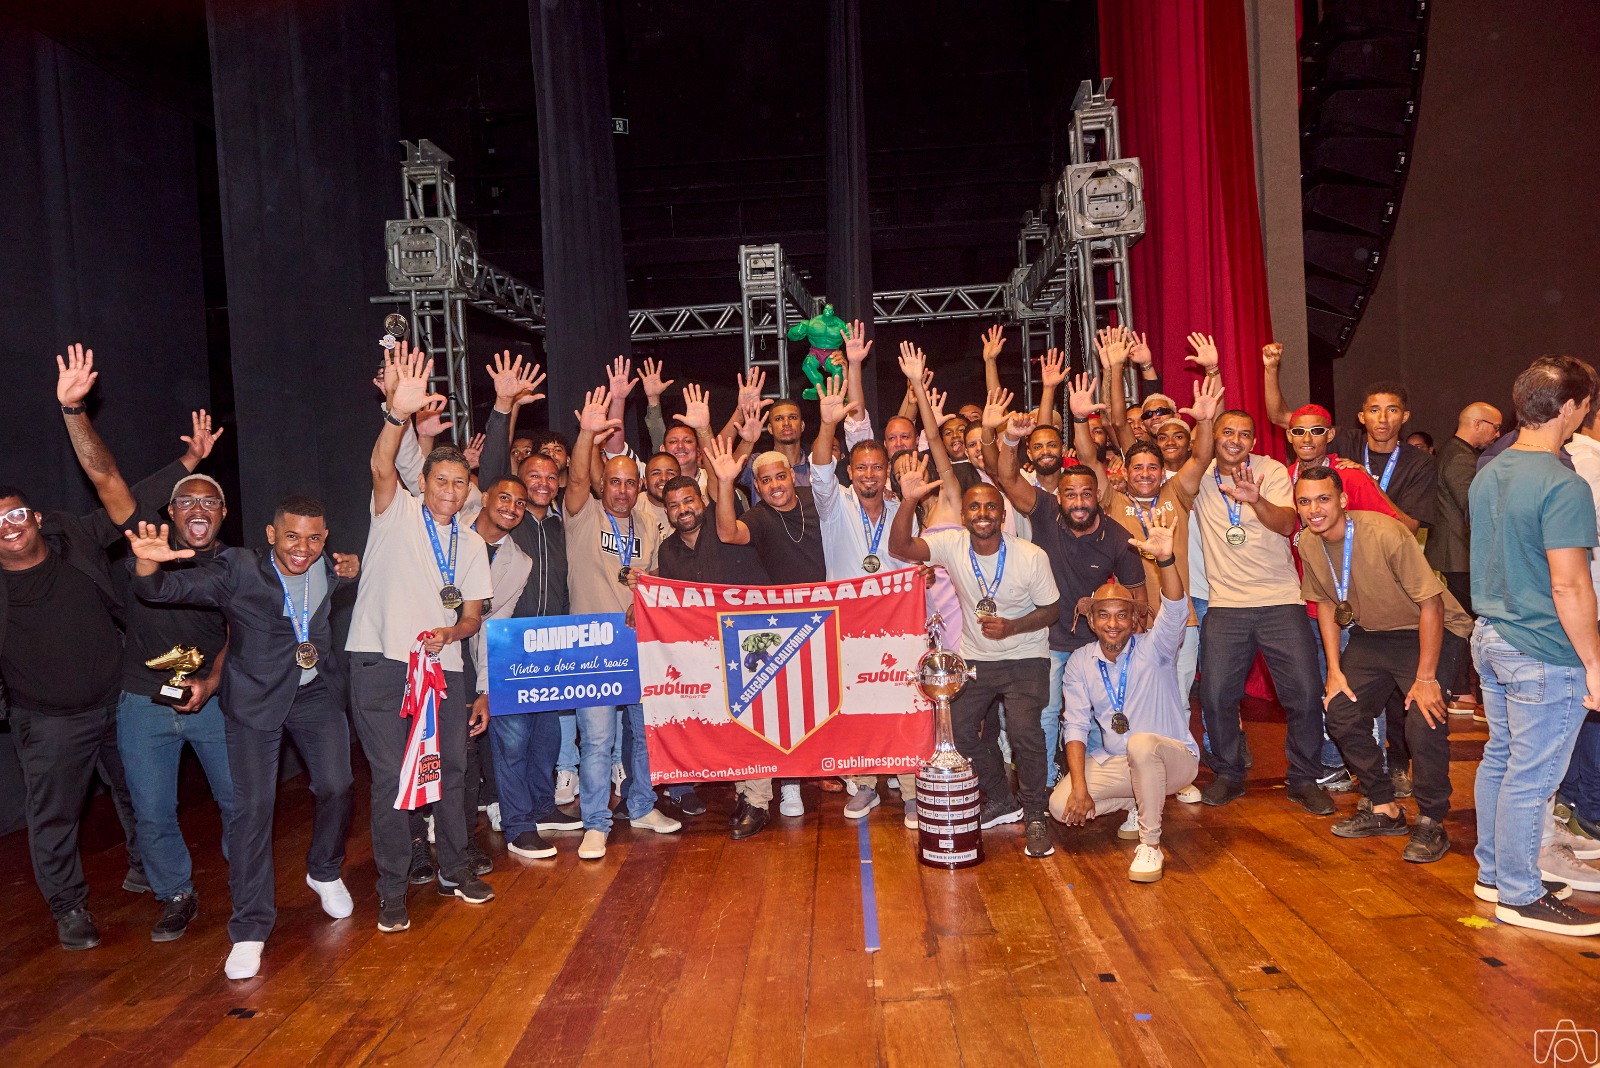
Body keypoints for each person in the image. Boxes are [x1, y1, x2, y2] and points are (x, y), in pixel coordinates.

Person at [128, 500, 359, 979]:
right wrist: (149, 563)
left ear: (325, 538)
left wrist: (348, 570)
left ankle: (323, 870)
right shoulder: (237, 568)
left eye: (314, 538)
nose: (302, 548)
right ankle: (250, 927)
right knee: (252, 810)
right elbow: (162, 590)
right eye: (292, 536)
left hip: (315, 694)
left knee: (338, 786)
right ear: (271, 534)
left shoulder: (326, 567)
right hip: (255, 703)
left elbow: (335, 581)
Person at [52, 347, 235, 944]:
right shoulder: (145, 541)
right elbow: (105, 477)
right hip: (143, 704)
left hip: (213, 703)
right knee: (152, 813)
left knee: (239, 804)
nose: (197, 508)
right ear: (170, 510)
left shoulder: (237, 566)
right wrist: (74, 410)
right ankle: (175, 894)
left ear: (223, 512)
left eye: (209, 500)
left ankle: (248, 884)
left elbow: (240, 633)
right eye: (187, 499)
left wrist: (213, 680)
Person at [348, 347, 495, 931]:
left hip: (445, 666)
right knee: (391, 779)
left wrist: (450, 631)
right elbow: (381, 463)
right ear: (425, 482)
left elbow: (474, 616)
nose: (451, 491)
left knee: (454, 772)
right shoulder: (396, 512)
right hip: (381, 664)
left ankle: (455, 870)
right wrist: (396, 414)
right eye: (441, 480)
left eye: (461, 482)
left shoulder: (472, 542)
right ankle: (391, 889)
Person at [1469, 355, 1600, 935]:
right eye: (1586, 405)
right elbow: (1570, 585)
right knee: (1532, 775)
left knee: (1501, 759)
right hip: (1544, 647)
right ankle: (1520, 895)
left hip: (1491, 636)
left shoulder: (1489, 472)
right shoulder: (1562, 484)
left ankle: (1496, 874)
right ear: (1569, 408)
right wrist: (1595, 661)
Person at [1295, 466, 1471, 862]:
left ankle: (1431, 821)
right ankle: (1384, 807)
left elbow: (1432, 605)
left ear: (1342, 500)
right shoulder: (1308, 542)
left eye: (1323, 499)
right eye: (1304, 501)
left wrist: (1426, 678)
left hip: (1430, 630)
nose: (1314, 509)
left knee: (1423, 719)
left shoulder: (1385, 533)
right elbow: (1326, 604)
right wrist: (1334, 671)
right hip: (1373, 635)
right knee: (1340, 711)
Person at [889, 457, 1061, 858]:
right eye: (975, 507)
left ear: (1002, 515)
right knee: (958, 731)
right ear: (964, 515)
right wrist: (909, 501)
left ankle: (1035, 815)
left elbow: (1052, 610)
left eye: (991, 507)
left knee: (1024, 732)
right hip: (977, 659)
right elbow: (901, 547)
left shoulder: (1030, 556)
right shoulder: (951, 544)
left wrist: (1013, 626)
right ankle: (1001, 798)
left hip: (1025, 657)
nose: (983, 513)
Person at [980, 379, 1148, 791]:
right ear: (1059, 498)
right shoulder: (1043, 511)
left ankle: (1099, 776)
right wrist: (1009, 440)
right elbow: (1007, 478)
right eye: (1070, 495)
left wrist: (1133, 644)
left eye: (1086, 494)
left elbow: (1139, 599)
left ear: (1098, 496)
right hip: (1050, 638)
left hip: (1098, 642)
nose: (1078, 502)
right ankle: (1043, 781)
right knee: (1046, 712)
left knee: (1100, 714)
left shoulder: (1118, 538)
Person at [1191, 409, 1333, 815]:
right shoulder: (1199, 476)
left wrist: (1256, 500)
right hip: (1225, 604)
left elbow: (1288, 523)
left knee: (1304, 694)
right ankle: (1228, 774)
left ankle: (1304, 779)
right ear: (1215, 436)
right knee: (1216, 697)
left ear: (1254, 442)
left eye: (1244, 434)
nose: (1235, 440)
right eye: (1227, 432)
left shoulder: (1270, 471)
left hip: (1281, 601)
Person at [565, 386, 678, 861]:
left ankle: (643, 805)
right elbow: (576, 476)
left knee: (645, 733)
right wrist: (586, 435)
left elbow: (657, 574)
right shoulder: (582, 514)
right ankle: (595, 823)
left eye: (631, 483)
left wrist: (645, 589)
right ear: (603, 484)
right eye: (615, 482)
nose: (623, 490)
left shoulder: (648, 523)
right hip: (594, 647)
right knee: (597, 739)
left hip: (639, 644)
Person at [1053, 515, 1199, 882]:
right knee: (1060, 805)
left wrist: (1165, 559)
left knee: (1141, 743)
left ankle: (1150, 843)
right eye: (1103, 615)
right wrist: (1080, 789)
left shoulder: (1157, 648)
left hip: (1174, 760)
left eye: (1122, 615)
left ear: (1135, 619)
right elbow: (1075, 725)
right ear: (1092, 621)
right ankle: (1140, 800)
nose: (1113, 623)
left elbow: (1175, 607)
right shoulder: (1080, 661)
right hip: (1121, 762)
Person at [809, 375, 919, 827]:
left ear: (887, 470)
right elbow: (820, 469)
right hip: (847, 627)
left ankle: (912, 790)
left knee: (901, 708)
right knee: (856, 711)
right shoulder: (834, 505)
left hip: (896, 626)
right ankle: (865, 785)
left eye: (877, 467)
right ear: (850, 472)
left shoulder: (901, 509)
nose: (869, 474)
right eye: (861, 468)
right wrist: (827, 424)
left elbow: (914, 559)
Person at [707, 420, 828, 818]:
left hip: (829, 618)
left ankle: (856, 779)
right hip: (783, 627)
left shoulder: (816, 500)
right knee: (784, 711)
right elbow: (727, 532)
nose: (775, 485)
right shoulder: (759, 517)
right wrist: (726, 482)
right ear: (757, 487)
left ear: (792, 476)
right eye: (765, 480)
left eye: (780, 476)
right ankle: (788, 786)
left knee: (827, 705)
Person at [656, 475, 774, 837]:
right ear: (666, 511)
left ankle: (759, 801)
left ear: (703, 502)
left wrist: (721, 473)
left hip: (750, 643)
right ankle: (744, 792)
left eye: (688, 500)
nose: (683, 509)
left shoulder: (726, 529)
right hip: (705, 650)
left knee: (753, 723)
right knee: (730, 725)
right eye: (674, 505)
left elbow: (725, 490)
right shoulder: (667, 551)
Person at [1264, 360, 1434, 533]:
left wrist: (1371, 484)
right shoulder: (1345, 440)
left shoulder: (1420, 462)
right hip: (1343, 540)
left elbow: (1409, 529)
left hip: (1386, 542)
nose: (1382, 419)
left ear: (1404, 416)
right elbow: (1282, 418)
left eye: (1392, 410)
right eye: (1374, 410)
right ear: (1362, 417)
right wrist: (1271, 368)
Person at [1425, 402, 1503, 618]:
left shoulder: (1455, 451)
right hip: (1458, 556)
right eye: (1496, 427)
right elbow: (1475, 508)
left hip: (1456, 555)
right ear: (1477, 424)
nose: (1498, 434)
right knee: (1468, 620)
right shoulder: (1460, 457)